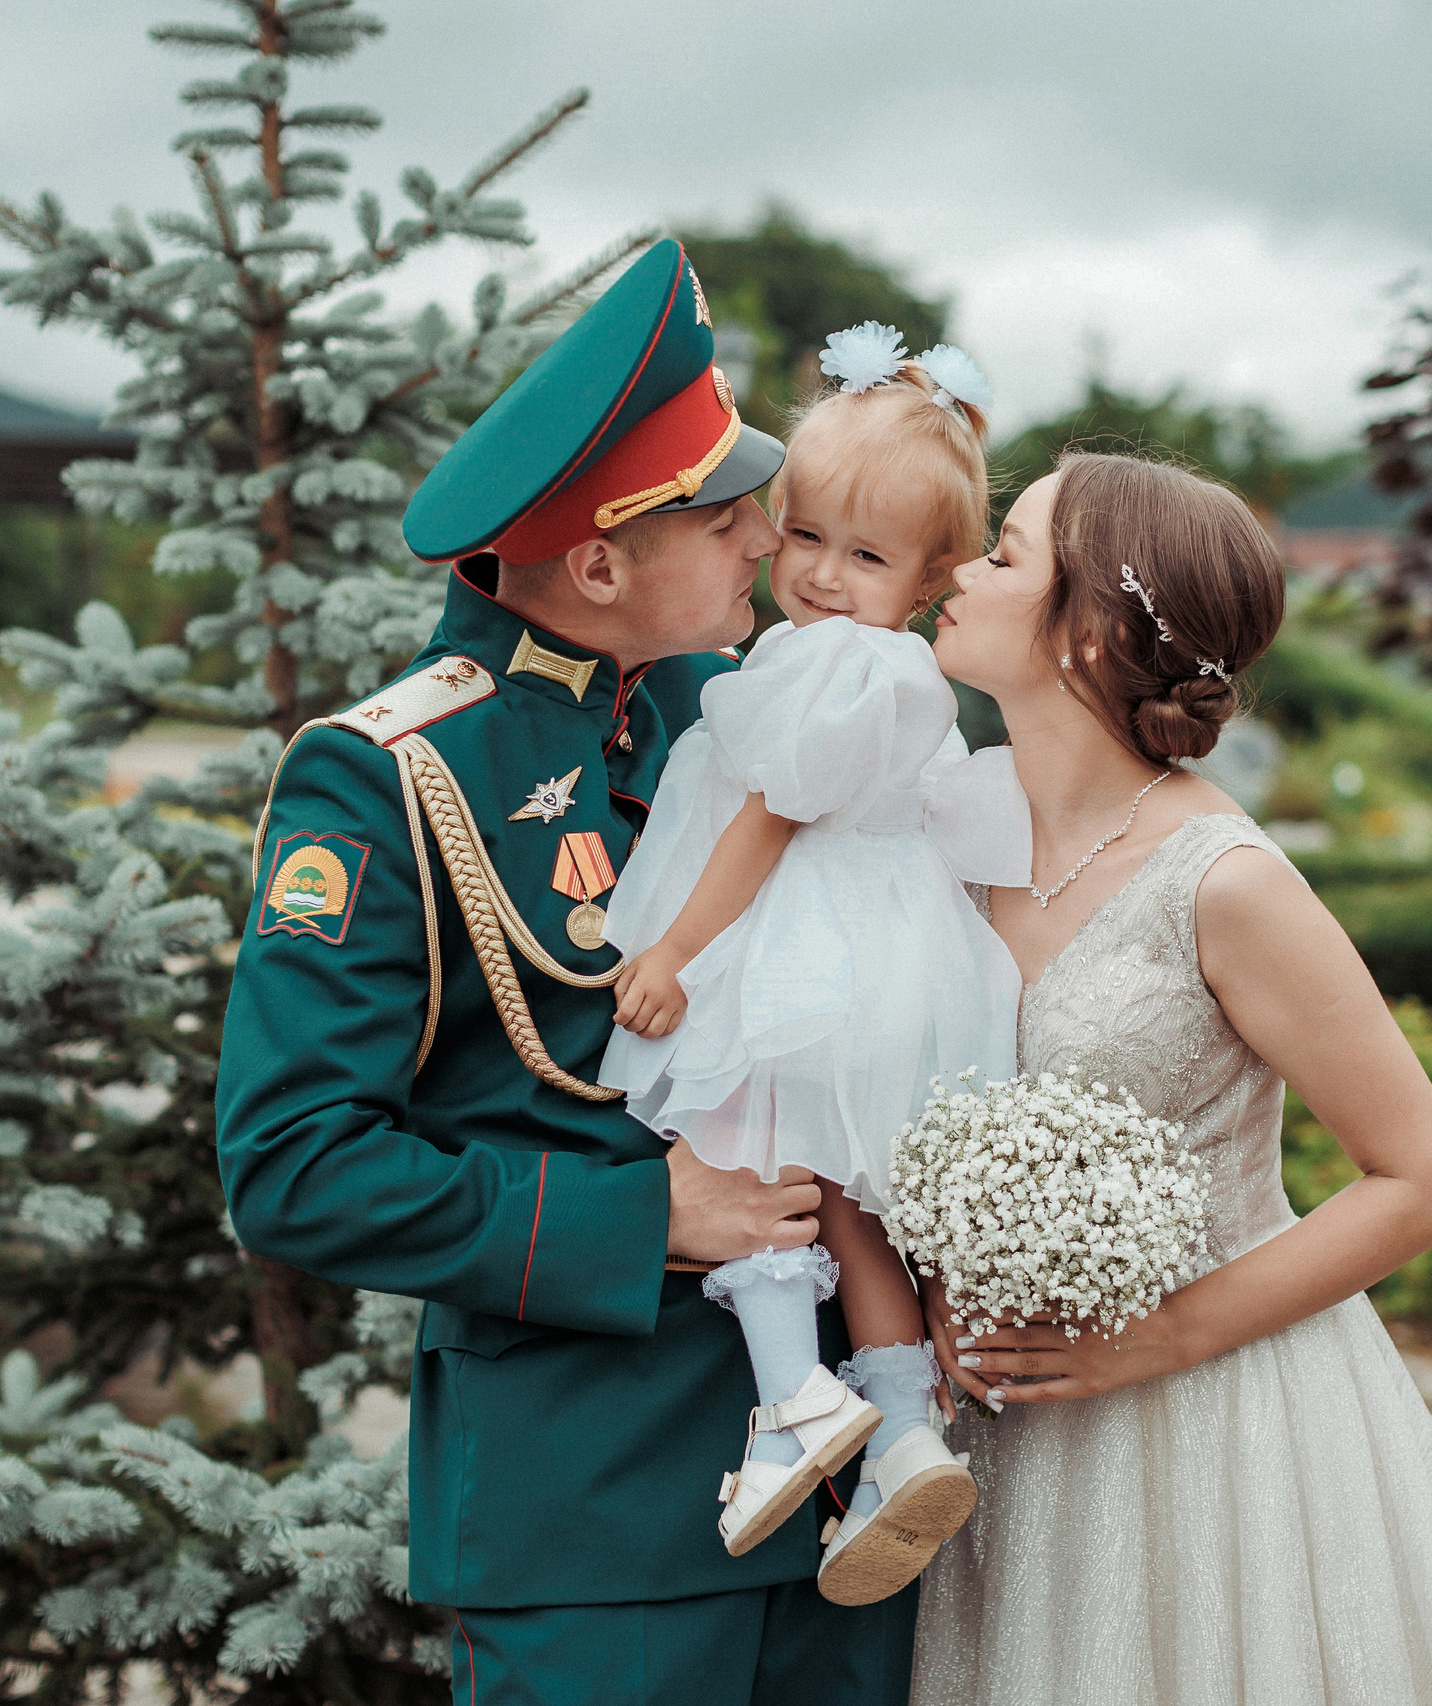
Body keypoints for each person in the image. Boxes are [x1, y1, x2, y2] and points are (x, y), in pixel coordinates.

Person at [215, 240, 921, 1706]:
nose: (765, 542)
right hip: (599, 1508)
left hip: (853, 1490)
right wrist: (644, 1214)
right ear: (601, 562)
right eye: (728, 517)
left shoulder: (725, 708)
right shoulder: (384, 777)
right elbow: (291, 1164)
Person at [911, 453, 1432, 1705]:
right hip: (990, 1423)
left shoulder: (1224, 881)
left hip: (1203, 1432)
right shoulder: (942, 830)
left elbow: (1428, 1179)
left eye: (1004, 554)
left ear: (1092, 632)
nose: (959, 572)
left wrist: (1147, 1341)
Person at [598, 325, 1026, 1606]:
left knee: (744, 1148)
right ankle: (901, 1430)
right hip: (894, 955)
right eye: (805, 538)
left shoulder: (824, 663)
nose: (824, 575)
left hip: (794, 943)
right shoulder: (906, 672)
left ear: (932, 575)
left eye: (868, 554)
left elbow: (767, 816)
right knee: (847, 1196)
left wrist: (676, 948)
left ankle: (791, 1397)